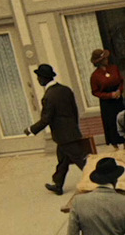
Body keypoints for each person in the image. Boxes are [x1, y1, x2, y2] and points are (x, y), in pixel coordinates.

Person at [25, 63, 88, 195]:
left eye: (38, 77)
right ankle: (58, 184)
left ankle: (100, 181)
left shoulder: (49, 96)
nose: (38, 80)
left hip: (63, 135)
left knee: (82, 161)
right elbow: (74, 110)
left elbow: (46, 119)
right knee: (63, 160)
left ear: (43, 78)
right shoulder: (66, 90)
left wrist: (31, 129)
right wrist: (74, 127)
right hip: (70, 132)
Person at [89, 49, 125, 149]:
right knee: (111, 123)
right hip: (107, 103)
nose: (106, 60)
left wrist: (119, 91)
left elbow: (121, 81)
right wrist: (109, 95)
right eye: (104, 58)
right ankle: (115, 145)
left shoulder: (114, 68)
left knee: (123, 119)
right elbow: (95, 92)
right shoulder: (95, 76)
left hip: (118, 99)